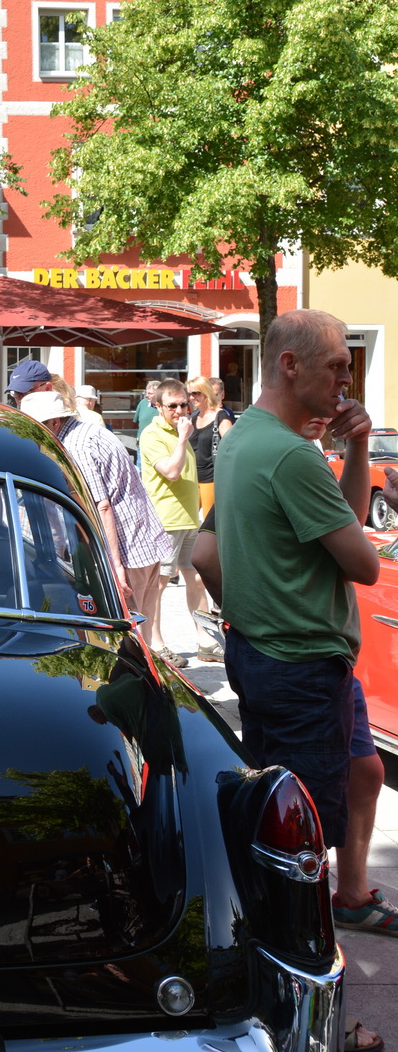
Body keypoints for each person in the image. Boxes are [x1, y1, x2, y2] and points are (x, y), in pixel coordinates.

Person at [212, 310, 397, 970]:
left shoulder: (244, 438)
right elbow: (363, 562)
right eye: (335, 367)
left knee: (361, 771)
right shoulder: (287, 453)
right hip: (299, 666)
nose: (346, 380)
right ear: (290, 365)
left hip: (280, 656)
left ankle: (342, 902)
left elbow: (209, 550)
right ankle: (304, 977)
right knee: (300, 836)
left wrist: (354, 448)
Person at [19, 389, 173, 655]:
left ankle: (140, 692)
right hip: (143, 541)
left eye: (37, 429)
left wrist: (114, 565)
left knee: (129, 638)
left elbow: (100, 507)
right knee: (141, 633)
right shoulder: (89, 431)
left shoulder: (76, 446)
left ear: (54, 422)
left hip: (127, 549)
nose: (35, 438)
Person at [139, 380, 215, 664]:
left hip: (187, 516)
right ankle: (156, 645)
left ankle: (206, 641)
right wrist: (184, 438)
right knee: (158, 583)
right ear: (158, 406)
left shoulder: (181, 428)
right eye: (173, 405)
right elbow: (171, 472)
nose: (181, 410)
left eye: (185, 404)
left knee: (195, 577)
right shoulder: (153, 434)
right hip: (165, 520)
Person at [187, 375, 234, 516]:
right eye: (190, 394)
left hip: (211, 480)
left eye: (195, 393)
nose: (191, 398)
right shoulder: (193, 417)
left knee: (210, 527)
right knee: (189, 526)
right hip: (192, 480)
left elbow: (233, 447)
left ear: (206, 392)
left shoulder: (220, 417)